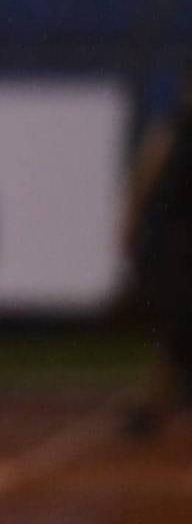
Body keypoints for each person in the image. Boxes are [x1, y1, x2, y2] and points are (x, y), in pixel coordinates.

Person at [122, 66, 192, 437]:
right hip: (171, 245)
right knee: (176, 325)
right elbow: (144, 179)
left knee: (179, 329)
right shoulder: (171, 133)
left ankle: (156, 404)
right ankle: (153, 405)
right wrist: (130, 223)